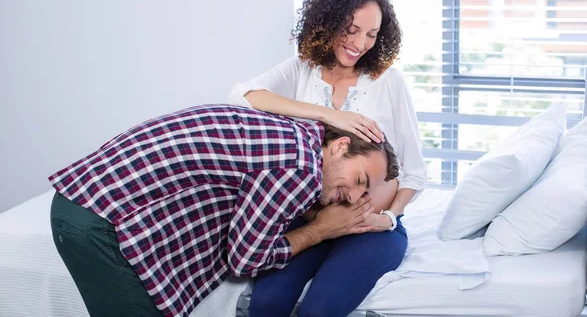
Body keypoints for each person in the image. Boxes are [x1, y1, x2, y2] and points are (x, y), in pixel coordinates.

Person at [48, 104, 399, 317]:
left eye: (364, 192)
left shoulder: (293, 132)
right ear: (339, 146)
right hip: (97, 219)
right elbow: (246, 259)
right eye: (359, 180)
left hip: (89, 198)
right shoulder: (299, 168)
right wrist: (323, 229)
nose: (354, 197)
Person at [227, 0, 427, 316]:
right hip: (308, 220)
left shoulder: (387, 81)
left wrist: (390, 219)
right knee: (267, 304)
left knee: (319, 310)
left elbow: (416, 174)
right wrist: (329, 115)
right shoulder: (302, 70)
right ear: (330, 21)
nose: (360, 42)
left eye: (371, 34)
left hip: (370, 227)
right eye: (352, 28)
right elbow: (240, 97)